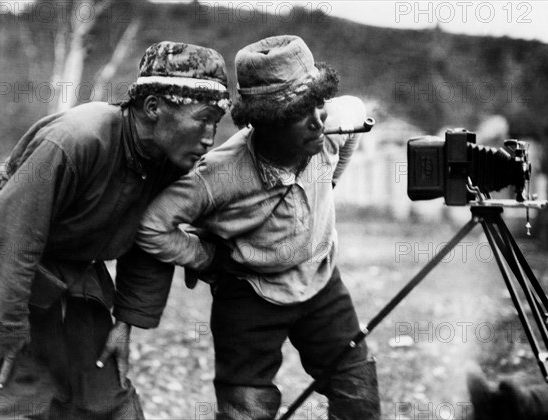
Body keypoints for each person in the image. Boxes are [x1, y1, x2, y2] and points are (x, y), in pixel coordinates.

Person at [136, 35, 381, 419]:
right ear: (264, 122)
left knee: (358, 395)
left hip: (320, 283)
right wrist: (206, 259)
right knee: (245, 412)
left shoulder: (326, 129)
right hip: (249, 295)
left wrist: (328, 184)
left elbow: (353, 110)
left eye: (318, 103)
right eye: (300, 111)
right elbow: (152, 226)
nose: (318, 119)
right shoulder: (218, 174)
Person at [0, 41, 230, 419]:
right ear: (153, 107)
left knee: (109, 402)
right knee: (17, 399)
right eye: (202, 119)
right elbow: (12, 236)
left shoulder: (168, 162)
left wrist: (125, 324)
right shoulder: (76, 139)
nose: (209, 138)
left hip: (81, 286)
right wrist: (5, 326)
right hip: (7, 282)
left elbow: (149, 241)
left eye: (215, 124)